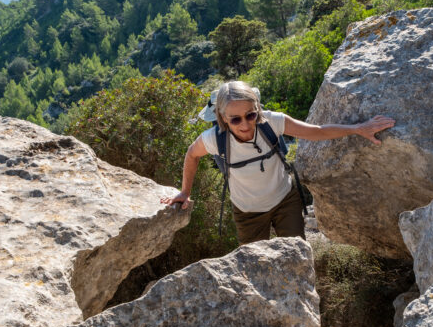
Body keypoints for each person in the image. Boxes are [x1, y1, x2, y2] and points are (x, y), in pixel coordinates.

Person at [161, 81, 394, 245]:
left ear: (257, 110)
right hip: (247, 212)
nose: (245, 124)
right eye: (235, 119)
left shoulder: (271, 122)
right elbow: (192, 154)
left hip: (285, 201)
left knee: (297, 255)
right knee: (254, 265)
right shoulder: (214, 139)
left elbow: (316, 132)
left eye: (251, 115)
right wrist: (185, 192)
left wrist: (357, 129)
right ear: (222, 118)